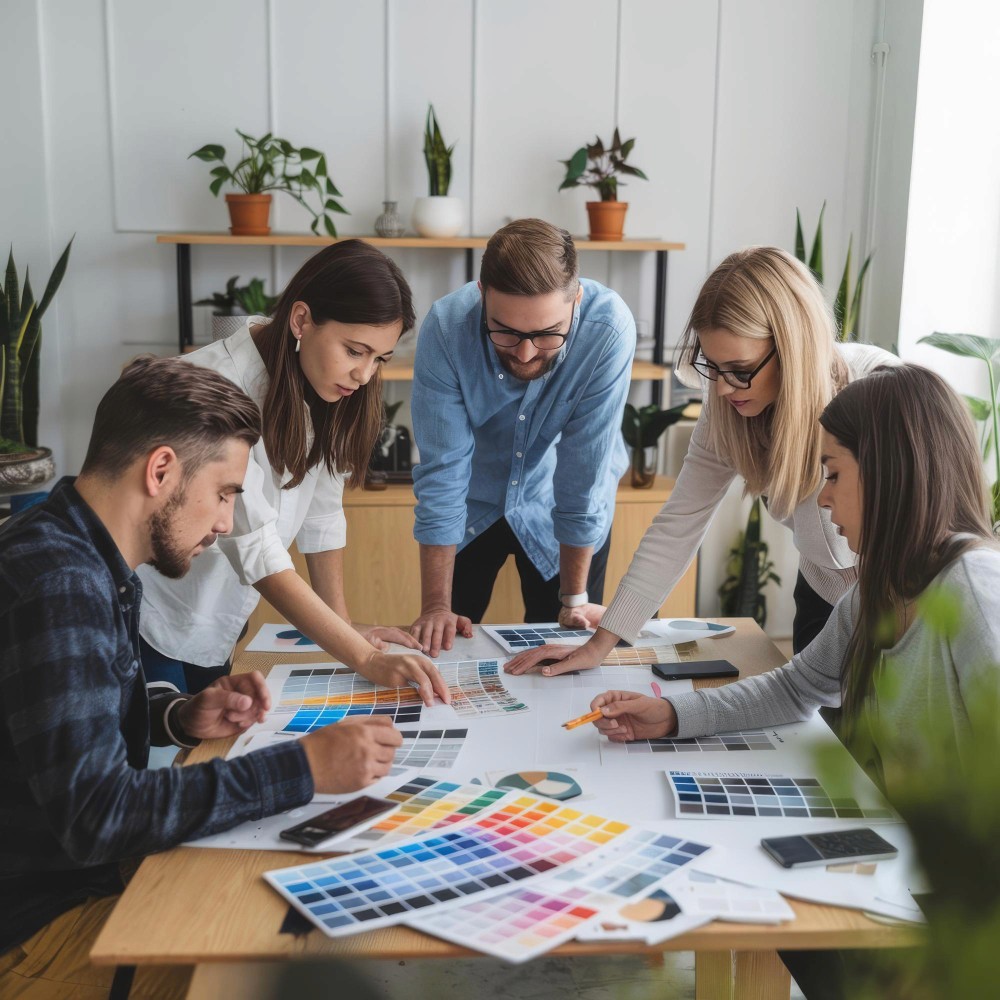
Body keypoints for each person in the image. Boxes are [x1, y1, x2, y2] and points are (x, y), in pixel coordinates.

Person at [0, 358, 402, 992]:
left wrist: (178, 715)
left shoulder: (73, 548)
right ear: (161, 470)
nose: (223, 523)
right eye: (223, 494)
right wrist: (303, 769)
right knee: (276, 967)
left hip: (73, 889)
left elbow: (58, 727)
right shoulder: (63, 582)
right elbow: (99, 814)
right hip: (34, 931)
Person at [588, 364, 1000, 794]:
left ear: (891, 473)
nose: (822, 497)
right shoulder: (874, 593)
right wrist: (671, 714)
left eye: (834, 474)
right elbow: (796, 687)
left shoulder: (975, 588)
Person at [505, 245, 898, 679]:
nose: (726, 389)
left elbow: (926, 538)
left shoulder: (882, 393)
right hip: (822, 595)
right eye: (713, 367)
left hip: (897, 599)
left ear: (793, 347)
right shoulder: (729, 401)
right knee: (822, 735)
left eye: (740, 368)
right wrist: (601, 644)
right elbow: (680, 521)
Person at [137, 240, 447, 705]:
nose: (364, 374)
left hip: (217, 622)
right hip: (152, 622)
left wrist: (344, 627)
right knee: (162, 757)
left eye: (378, 359)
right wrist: (363, 657)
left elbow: (322, 516)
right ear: (302, 319)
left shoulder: (327, 387)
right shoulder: (211, 388)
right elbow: (255, 548)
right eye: (355, 350)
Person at [409, 219, 636, 656]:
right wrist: (436, 605)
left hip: (563, 508)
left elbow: (583, 471)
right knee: (447, 645)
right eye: (506, 332)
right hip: (470, 505)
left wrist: (574, 600)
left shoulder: (607, 330)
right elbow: (443, 472)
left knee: (565, 651)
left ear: (577, 301)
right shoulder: (446, 328)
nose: (526, 353)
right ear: (481, 295)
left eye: (548, 334)